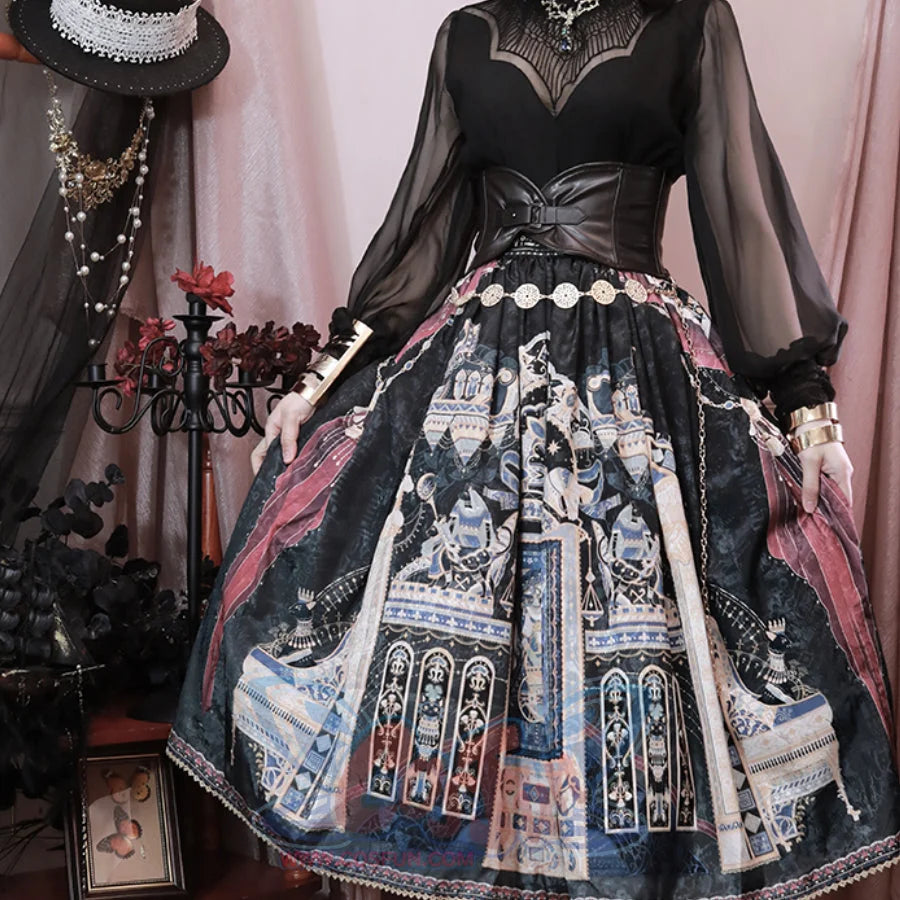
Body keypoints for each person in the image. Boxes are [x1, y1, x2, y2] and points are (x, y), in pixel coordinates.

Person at [168, 1, 900, 898]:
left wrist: (808, 407)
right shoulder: (466, 34)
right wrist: (316, 386)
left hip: (633, 376)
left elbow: (739, 211)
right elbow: (422, 232)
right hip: (475, 377)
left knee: (656, 628)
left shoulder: (689, 22)